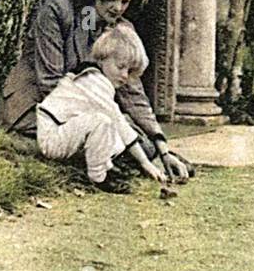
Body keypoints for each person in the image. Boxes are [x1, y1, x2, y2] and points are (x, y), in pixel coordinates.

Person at [0, 0, 193, 182]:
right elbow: (49, 81)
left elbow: (132, 92)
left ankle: (129, 160)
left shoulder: (117, 29)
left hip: (81, 111)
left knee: (143, 145)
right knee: (117, 138)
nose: (117, 8)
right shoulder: (57, 11)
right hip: (37, 106)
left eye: (125, 2)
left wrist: (162, 147)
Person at [36, 22, 165, 191]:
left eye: (129, 70)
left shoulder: (96, 78)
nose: (125, 75)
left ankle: (110, 166)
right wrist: (145, 163)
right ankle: (99, 178)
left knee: (108, 126)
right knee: (104, 121)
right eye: (120, 67)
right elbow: (119, 122)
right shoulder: (94, 81)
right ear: (103, 59)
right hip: (53, 136)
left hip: (65, 131)